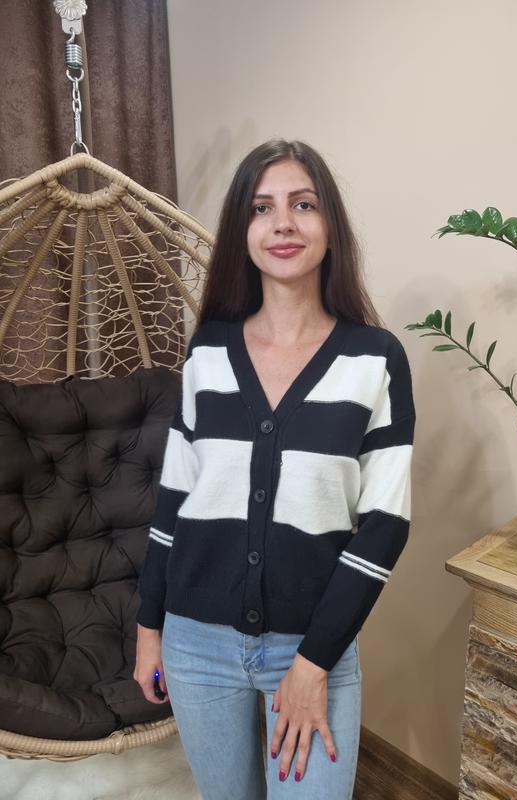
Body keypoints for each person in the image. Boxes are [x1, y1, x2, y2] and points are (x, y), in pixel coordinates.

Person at [133, 139, 415, 800]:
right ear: (243, 230)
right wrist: (149, 630)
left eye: (303, 204)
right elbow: (174, 501)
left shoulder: (375, 359)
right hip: (195, 641)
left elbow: (385, 525)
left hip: (311, 644)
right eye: (262, 208)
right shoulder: (208, 351)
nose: (283, 223)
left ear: (330, 226)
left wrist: (313, 663)